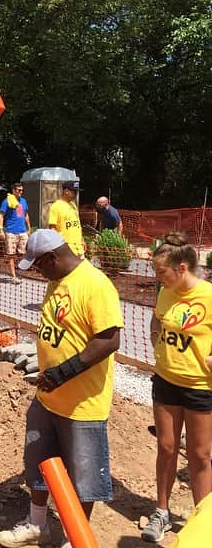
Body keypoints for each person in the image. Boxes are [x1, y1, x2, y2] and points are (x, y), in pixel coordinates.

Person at [0, 229, 123, 548]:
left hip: (82, 404)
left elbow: (109, 339)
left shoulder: (94, 284)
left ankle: (75, 538)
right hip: (48, 397)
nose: (38, 272)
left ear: (53, 258)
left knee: (84, 478)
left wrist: (64, 372)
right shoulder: (56, 281)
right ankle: (38, 523)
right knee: (39, 462)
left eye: (39, 265)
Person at [141, 232, 212, 543]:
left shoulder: (209, 296)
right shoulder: (165, 292)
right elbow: (157, 321)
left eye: (162, 272)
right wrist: (157, 337)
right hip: (166, 380)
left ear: (182, 267)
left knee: (200, 455)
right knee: (166, 448)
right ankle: (161, 512)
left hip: (200, 386)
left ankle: (202, 521)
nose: (158, 278)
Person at [0, 182, 31, 284]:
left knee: (23, 253)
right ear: (13, 190)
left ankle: (18, 271)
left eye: (22, 190)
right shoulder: (6, 201)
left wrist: (29, 228)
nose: (21, 192)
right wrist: (1, 230)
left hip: (22, 231)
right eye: (18, 190)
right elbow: (1, 215)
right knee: (11, 255)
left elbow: (26, 215)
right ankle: (13, 276)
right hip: (11, 232)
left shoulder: (24, 201)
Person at [48, 180, 84, 257]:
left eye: (77, 192)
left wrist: (82, 239)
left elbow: (78, 225)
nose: (76, 194)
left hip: (79, 248)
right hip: (66, 249)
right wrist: (59, 246)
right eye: (74, 191)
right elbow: (52, 229)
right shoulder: (56, 206)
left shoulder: (73, 205)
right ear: (66, 191)